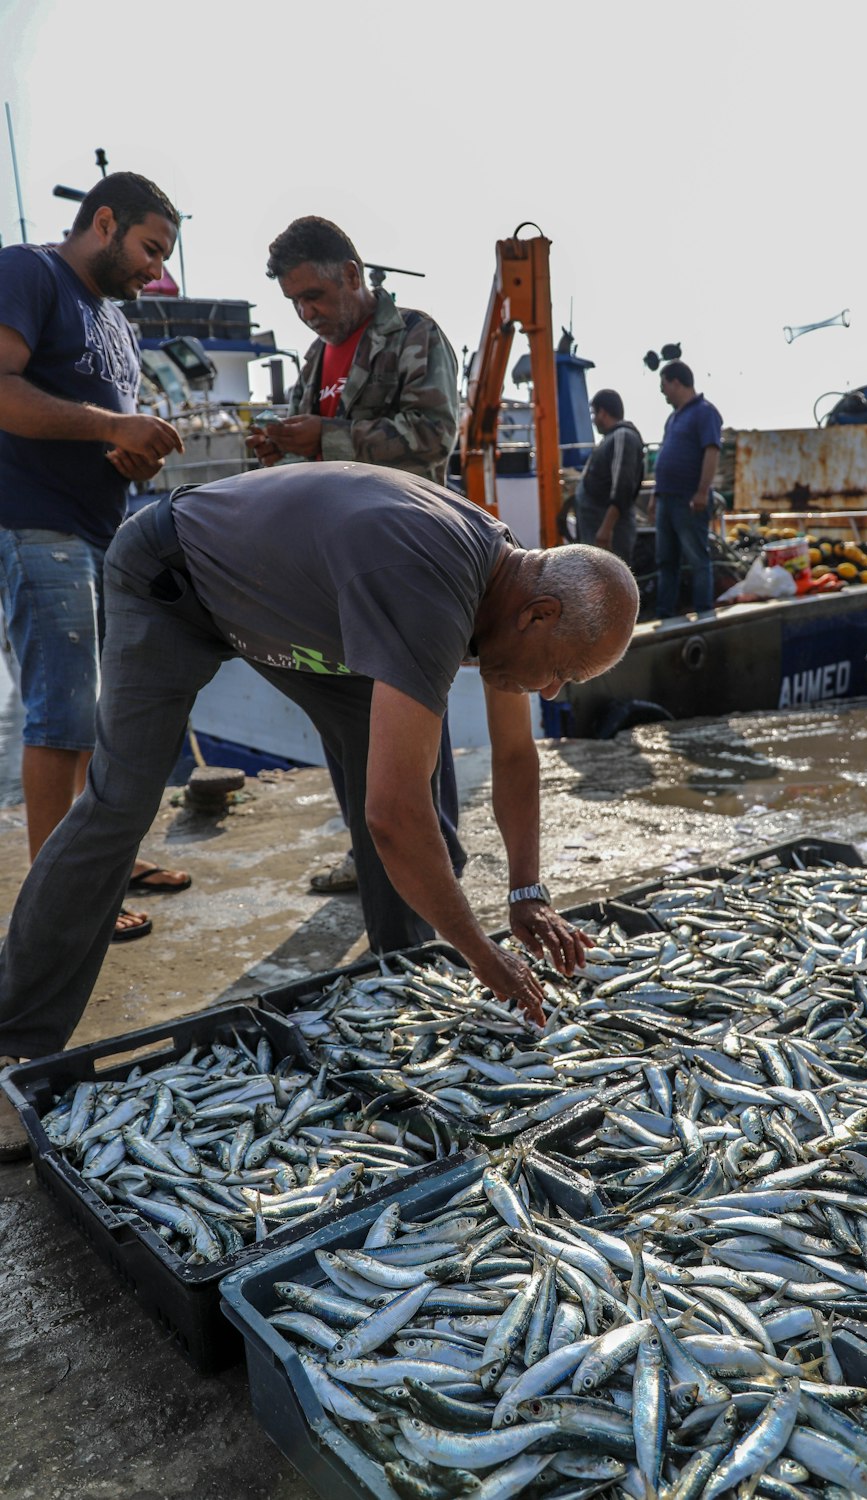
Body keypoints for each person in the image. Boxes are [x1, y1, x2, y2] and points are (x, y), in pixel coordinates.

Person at [0, 462, 639, 1161]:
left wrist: (526, 891)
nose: (550, 691)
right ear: (539, 614)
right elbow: (391, 817)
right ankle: (12, 1043)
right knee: (120, 803)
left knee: (412, 783)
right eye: (562, 673)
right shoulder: (432, 585)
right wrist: (481, 951)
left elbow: (516, 756)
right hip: (172, 575)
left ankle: (404, 976)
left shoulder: (504, 583)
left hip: (297, 610)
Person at [0, 170, 192, 948]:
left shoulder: (117, 321)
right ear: (103, 222)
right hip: (35, 524)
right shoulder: (27, 270)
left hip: (102, 529)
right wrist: (113, 425)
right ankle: (60, 898)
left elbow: (96, 425)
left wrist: (127, 454)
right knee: (63, 716)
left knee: (111, 714)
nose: (156, 270)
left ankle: (102, 859)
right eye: (150, 249)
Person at [246, 215, 462, 896]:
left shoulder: (417, 336)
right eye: (295, 304)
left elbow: (433, 435)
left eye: (314, 296)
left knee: (414, 715)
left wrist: (326, 435)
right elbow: (318, 443)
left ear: (351, 274)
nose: (307, 314)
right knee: (347, 717)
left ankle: (440, 861)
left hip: (403, 554)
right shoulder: (316, 360)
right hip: (332, 565)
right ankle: (368, 855)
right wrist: (283, 445)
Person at [653, 359, 722, 617]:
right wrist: (656, 497)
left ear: (676, 382)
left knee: (697, 559)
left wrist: (702, 491)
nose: (662, 391)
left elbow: (711, 451)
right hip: (666, 499)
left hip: (689, 499)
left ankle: (704, 613)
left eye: (664, 385)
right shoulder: (673, 418)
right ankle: (665, 614)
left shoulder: (705, 412)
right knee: (665, 560)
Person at [573, 389, 645, 564]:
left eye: (594, 413)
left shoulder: (623, 436)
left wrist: (606, 529)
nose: (593, 419)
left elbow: (623, 486)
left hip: (608, 534)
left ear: (603, 412)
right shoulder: (611, 438)